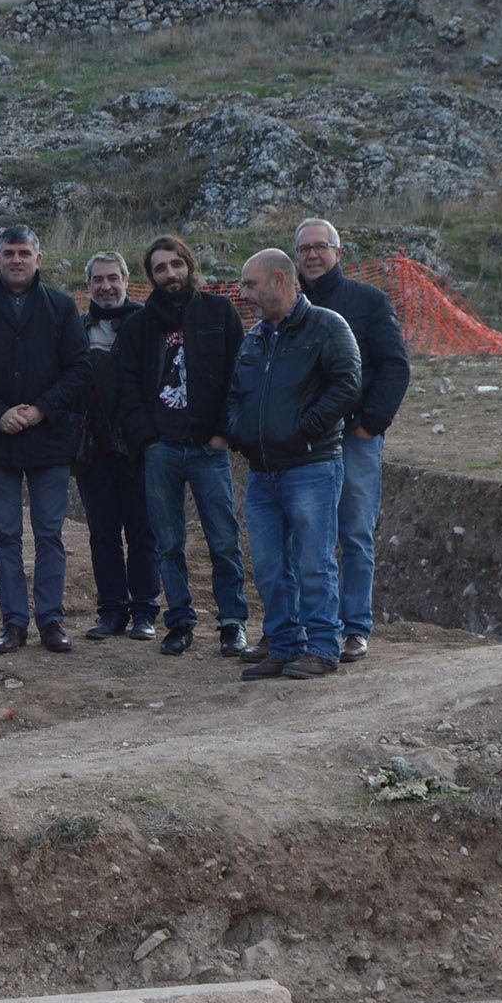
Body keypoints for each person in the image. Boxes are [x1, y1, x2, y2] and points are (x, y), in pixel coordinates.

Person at [224, 249, 362, 682]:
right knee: (268, 564)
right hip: (263, 471)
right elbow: (235, 396)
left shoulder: (326, 327)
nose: (242, 293)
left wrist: (304, 430)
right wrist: (240, 432)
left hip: (311, 467)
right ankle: (282, 647)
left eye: (250, 284)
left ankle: (322, 647)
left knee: (314, 562)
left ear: (281, 280)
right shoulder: (254, 339)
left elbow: (346, 386)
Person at [114, 235, 251, 659]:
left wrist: (223, 433)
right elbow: (123, 388)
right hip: (162, 450)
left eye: (176, 264)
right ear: (150, 276)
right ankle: (179, 622)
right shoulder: (138, 325)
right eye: (160, 268)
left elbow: (239, 375)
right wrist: (148, 439)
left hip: (209, 447)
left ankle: (232, 623)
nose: (170, 273)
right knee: (168, 542)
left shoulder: (219, 311)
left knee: (224, 539)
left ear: (189, 265)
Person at [0, 226, 87, 655]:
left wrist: (40, 409)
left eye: (24, 252)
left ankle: (51, 620)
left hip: (48, 439)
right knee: (6, 535)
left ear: (39, 258)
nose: (17, 260)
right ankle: (13, 623)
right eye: (9, 253)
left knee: (50, 533)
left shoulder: (62, 307)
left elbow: (78, 369)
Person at [293, 217, 412, 663]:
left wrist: (369, 424)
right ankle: (313, 625)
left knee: (355, 533)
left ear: (338, 253)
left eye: (320, 247)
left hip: (355, 439)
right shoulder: (290, 306)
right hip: (303, 444)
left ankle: (355, 628)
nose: (312, 255)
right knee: (305, 538)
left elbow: (395, 366)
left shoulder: (368, 301)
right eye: (304, 249)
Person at [74, 250, 158, 641]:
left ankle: (145, 611)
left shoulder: (147, 323)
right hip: (95, 450)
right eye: (98, 280)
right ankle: (111, 611)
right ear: (88, 285)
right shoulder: (77, 329)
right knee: (102, 533)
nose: (106, 287)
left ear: (126, 280)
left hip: (141, 448)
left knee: (143, 532)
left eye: (113, 278)